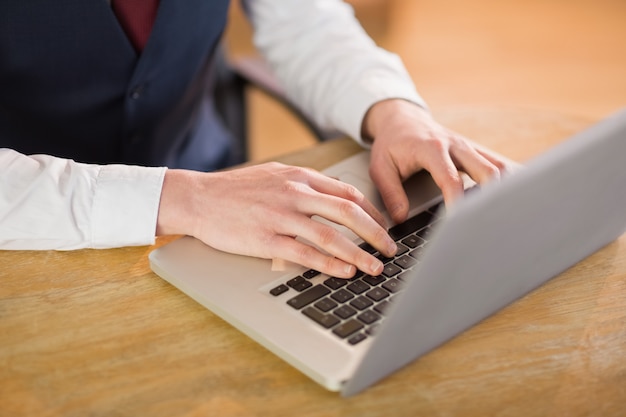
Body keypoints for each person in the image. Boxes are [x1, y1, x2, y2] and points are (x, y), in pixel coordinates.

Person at [0, 0, 512, 278]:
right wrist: (187, 199)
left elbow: (303, 21)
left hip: (216, 197)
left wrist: (391, 108)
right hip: (30, 246)